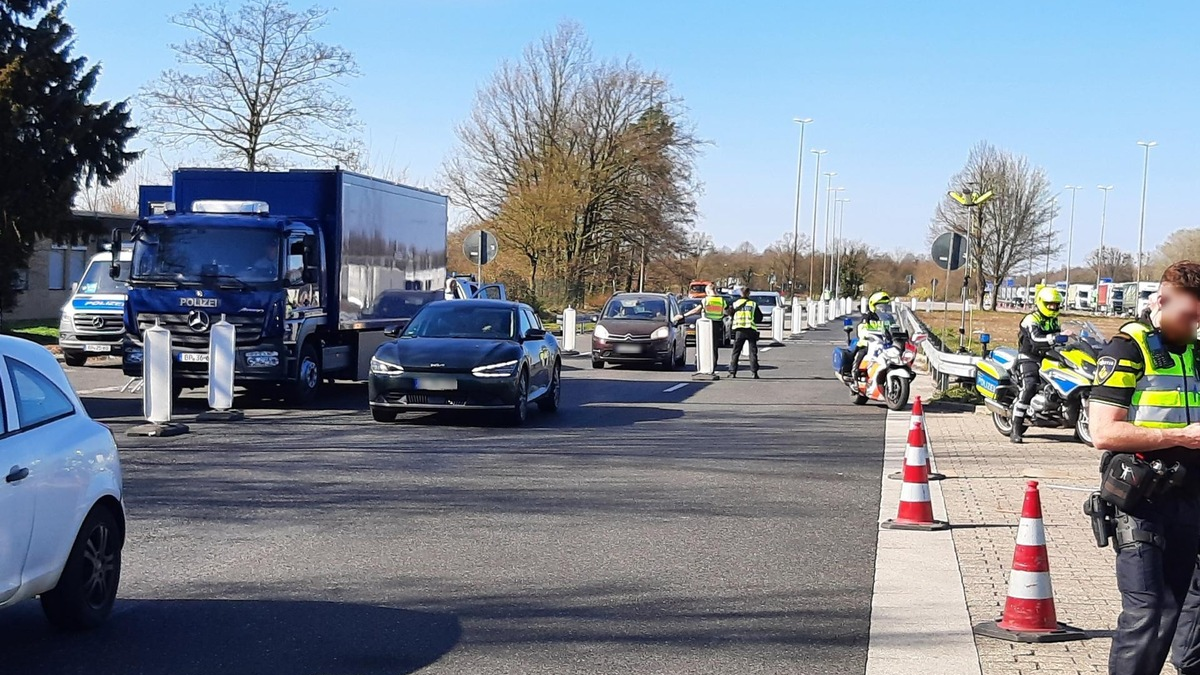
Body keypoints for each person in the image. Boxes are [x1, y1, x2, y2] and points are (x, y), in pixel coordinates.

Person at [1090, 261, 1200, 675]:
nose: (1192, 326)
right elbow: (1104, 433)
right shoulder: (1127, 349)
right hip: (1140, 498)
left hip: (1188, 497)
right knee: (1146, 613)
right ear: (1161, 300)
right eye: (1187, 316)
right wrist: (1181, 437)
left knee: (1172, 609)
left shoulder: (1194, 350)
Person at [1008, 286, 1063, 443]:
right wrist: (1054, 339)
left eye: (1055, 304)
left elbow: (1060, 336)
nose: (1053, 307)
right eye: (1050, 304)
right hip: (1028, 357)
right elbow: (1036, 340)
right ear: (1040, 303)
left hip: (1047, 358)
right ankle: (1016, 429)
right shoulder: (1031, 319)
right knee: (1030, 386)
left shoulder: (1053, 320)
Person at [679, 284, 727, 369]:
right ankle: (713, 364)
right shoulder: (721, 300)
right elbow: (726, 311)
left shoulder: (706, 300)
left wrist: (684, 315)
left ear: (707, 291)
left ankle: (702, 363)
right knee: (714, 346)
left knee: (704, 344)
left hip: (707, 324)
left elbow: (696, 310)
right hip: (718, 324)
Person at [850, 291, 892, 378]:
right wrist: (865, 335)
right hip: (868, 343)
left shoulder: (889, 318)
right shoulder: (868, 317)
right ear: (873, 305)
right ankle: (855, 371)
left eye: (885, 306)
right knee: (861, 352)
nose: (883, 309)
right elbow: (861, 328)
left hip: (884, 343)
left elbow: (893, 327)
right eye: (880, 306)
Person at [727, 287, 764, 379]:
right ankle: (754, 372)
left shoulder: (735, 304)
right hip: (750, 329)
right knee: (753, 352)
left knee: (736, 352)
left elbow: (730, 313)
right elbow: (759, 317)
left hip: (739, 330)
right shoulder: (753, 304)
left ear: (740, 293)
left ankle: (732, 372)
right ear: (749, 293)